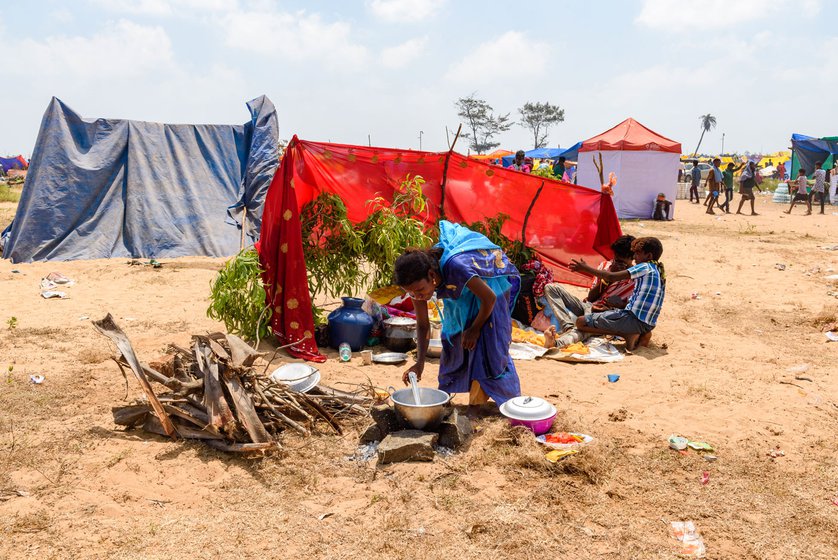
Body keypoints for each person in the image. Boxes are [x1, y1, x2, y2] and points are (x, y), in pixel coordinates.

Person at [394, 221, 521, 410]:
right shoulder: (418, 284)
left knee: (488, 348)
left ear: (432, 275)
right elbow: (422, 325)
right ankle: (447, 401)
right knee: (453, 339)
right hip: (463, 292)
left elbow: (489, 298)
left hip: (491, 292)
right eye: (411, 293)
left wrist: (475, 329)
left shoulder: (456, 266)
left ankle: (505, 406)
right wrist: (419, 363)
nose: (417, 297)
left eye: (420, 290)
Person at [568, 237, 666, 351]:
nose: (634, 257)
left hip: (633, 320)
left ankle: (628, 334)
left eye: (637, 254)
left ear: (648, 256)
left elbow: (611, 276)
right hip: (648, 323)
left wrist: (585, 268)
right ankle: (638, 333)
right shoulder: (659, 272)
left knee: (580, 322)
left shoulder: (644, 267)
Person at [540, 235, 636, 348]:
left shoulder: (635, 279)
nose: (617, 262)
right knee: (551, 288)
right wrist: (608, 280)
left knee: (583, 329)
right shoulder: (605, 266)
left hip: (606, 315)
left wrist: (613, 307)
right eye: (616, 258)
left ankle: (558, 343)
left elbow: (631, 309)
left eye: (622, 260)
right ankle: (567, 326)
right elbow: (591, 298)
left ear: (632, 258)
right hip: (589, 306)